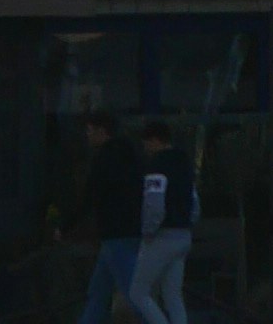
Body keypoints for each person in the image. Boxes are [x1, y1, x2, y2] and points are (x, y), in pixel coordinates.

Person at [67, 117, 149, 324]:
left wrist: (67, 225)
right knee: (99, 292)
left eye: (90, 129)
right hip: (132, 229)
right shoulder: (133, 157)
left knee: (134, 296)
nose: (88, 134)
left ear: (102, 131)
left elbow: (91, 196)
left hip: (114, 233)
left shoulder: (102, 159)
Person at [126, 126, 195, 324]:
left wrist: (148, 230)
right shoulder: (185, 164)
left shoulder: (157, 165)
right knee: (173, 294)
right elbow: (194, 201)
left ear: (155, 140)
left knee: (138, 292)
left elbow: (154, 204)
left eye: (146, 143)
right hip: (183, 234)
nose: (145, 148)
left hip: (162, 235)